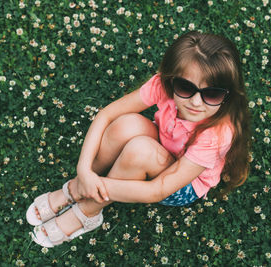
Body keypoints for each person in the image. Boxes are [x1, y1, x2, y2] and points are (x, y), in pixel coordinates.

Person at [26, 31, 251, 247]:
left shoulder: (217, 134)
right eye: (185, 87)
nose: (196, 102)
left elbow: (158, 190)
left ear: (228, 94)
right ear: (172, 79)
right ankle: (80, 183)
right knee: (127, 125)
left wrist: (97, 186)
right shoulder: (163, 85)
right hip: (164, 146)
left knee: (140, 150)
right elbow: (107, 114)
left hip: (181, 186)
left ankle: (88, 211)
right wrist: (84, 170)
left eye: (212, 94)